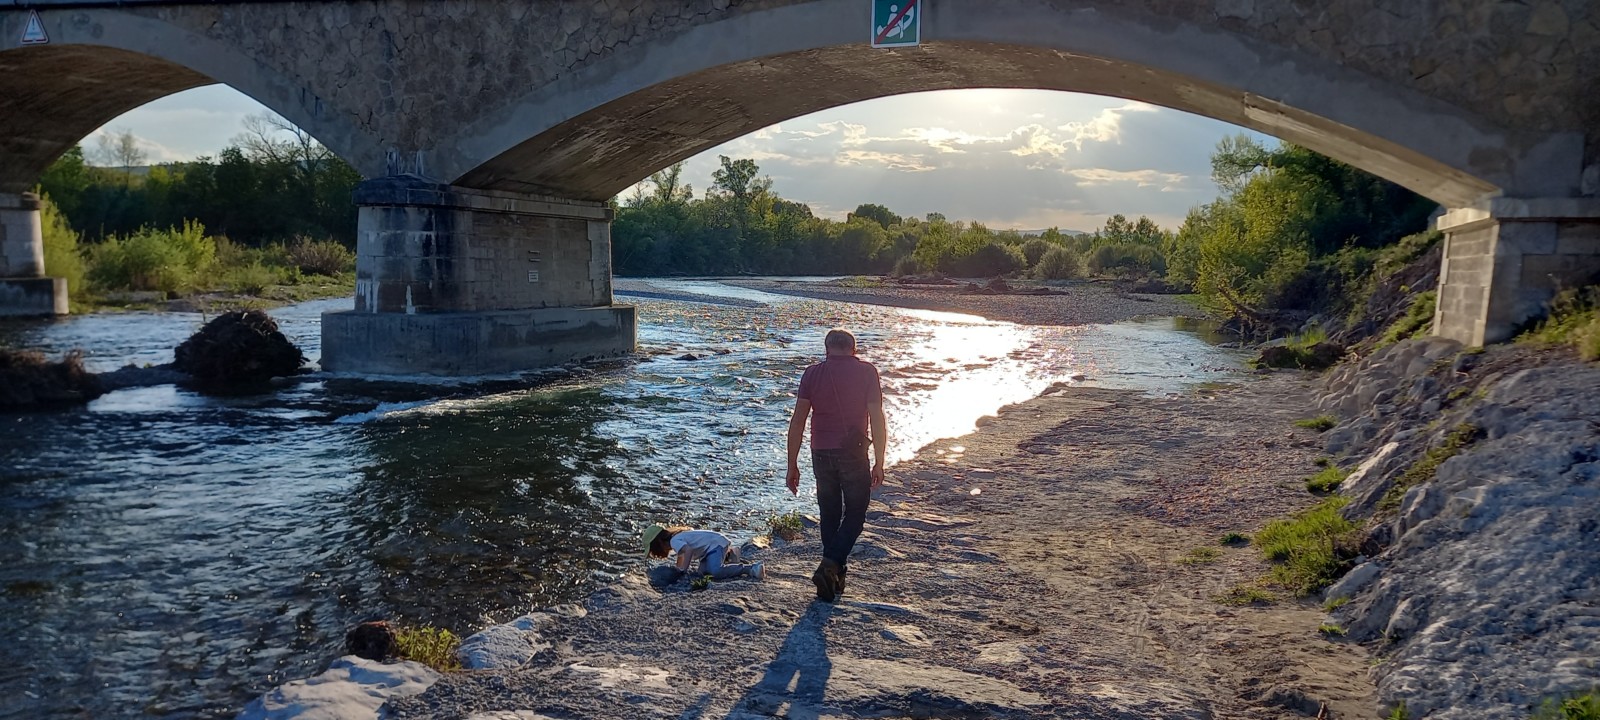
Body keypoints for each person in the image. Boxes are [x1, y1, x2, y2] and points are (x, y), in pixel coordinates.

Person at [786, 328, 887, 602]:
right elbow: (877, 417)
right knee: (856, 512)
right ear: (853, 349)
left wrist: (791, 464)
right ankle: (830, 564)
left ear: (827, 349)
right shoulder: (867, 372)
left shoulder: (812, 373)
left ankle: (833, 574)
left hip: (820, 451)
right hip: (853, 454)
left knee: (829, 513)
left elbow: (798, 421)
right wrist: (879, 460)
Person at [642, 524, 766, 580]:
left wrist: (683, 570)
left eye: (653, 551)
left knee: (715, 571)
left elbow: (689, 551)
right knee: (703, 573)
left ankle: (751, 568)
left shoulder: (674, 540)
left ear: (658, 543)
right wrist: (678, 569)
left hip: (716, 545)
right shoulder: (676, 541)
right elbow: (681, 556)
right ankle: (730, 556)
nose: (655, 555)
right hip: (709, 549)